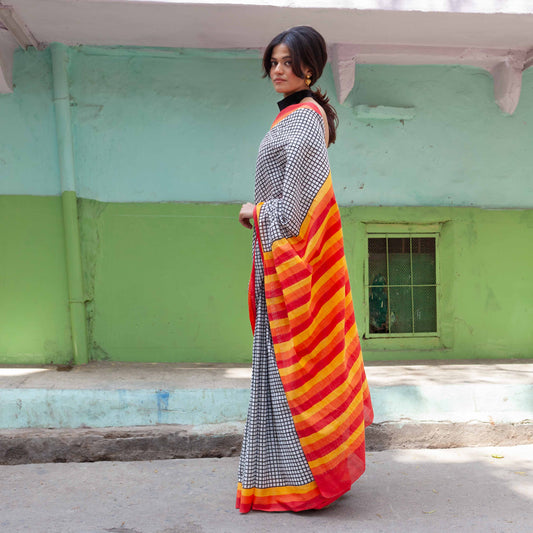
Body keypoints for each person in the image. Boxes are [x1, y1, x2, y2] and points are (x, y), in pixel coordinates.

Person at [237, 26, 374, 514]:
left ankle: (309, 482)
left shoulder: (303, 121)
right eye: (273, 62)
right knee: (281, 372)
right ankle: (291, 478)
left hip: (289, 264)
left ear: (310, 69)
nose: (277, 70)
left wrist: (255, 212)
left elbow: (296, 211)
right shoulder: (292, 118)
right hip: (274, 261)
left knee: (294, 371)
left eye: (287, 62)